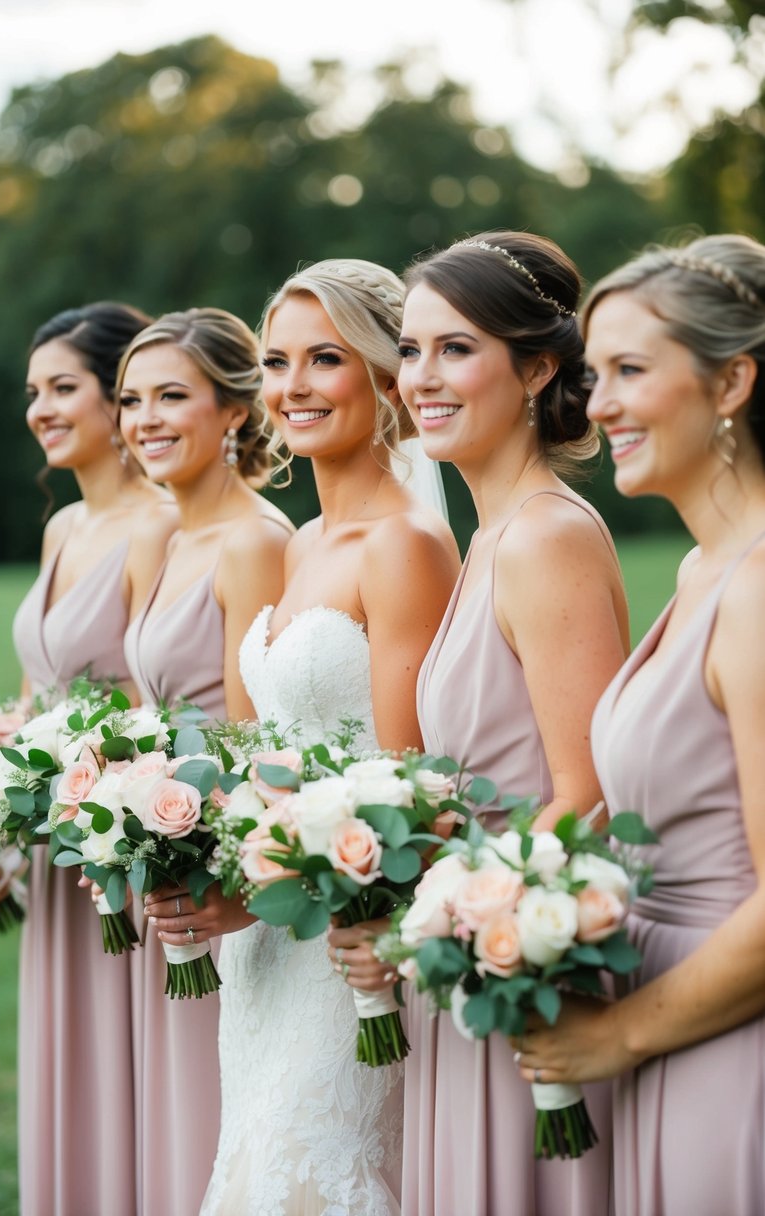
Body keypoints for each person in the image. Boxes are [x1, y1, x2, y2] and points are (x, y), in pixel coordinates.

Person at [199, 259, 461, 1216]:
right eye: (276, 361)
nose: (292, 386)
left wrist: (272, 891)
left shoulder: (404, 545)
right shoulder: (300, 545)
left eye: (325, 359)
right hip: (266, 945)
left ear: (389, 379)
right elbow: (266, 748)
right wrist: (211, 864)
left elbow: (408, 792)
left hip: (347, 944)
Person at [514, 233, 765, 1216]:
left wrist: (617, 1036)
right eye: (590, 373)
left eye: (628, 370)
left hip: (726, 1046)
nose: (596, 402)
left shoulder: (754, 592)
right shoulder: (704, 572)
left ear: (730, 381)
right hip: (666, 1031)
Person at [397, 230, 631, 1216]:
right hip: (478, 949)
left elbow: (588, 795)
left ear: (537, 367)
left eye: (456, 348)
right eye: (410, 350)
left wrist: (446, 923)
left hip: (521, 963)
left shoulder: (544, 537)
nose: (422, 377)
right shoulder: (491, 534)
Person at [0, 301, 177, 1216]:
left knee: (129, 1076)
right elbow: (30, 702)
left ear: (118, 398)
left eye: (63, 388)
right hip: (57, 859)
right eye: (33, 393)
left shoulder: (161, 527)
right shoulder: (61, 532)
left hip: (122, 855)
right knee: (70, 1074)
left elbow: (162, 709)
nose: (41, 408)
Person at [116, 307, 293, 1216]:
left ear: (234, 412)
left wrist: (183, 840)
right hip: (165, 861)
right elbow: (147, 716)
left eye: (170, 396)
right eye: (131, 399)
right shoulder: (163, 538)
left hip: (224, 878)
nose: (143, 419)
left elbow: (252, 742)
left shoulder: (256, 544)